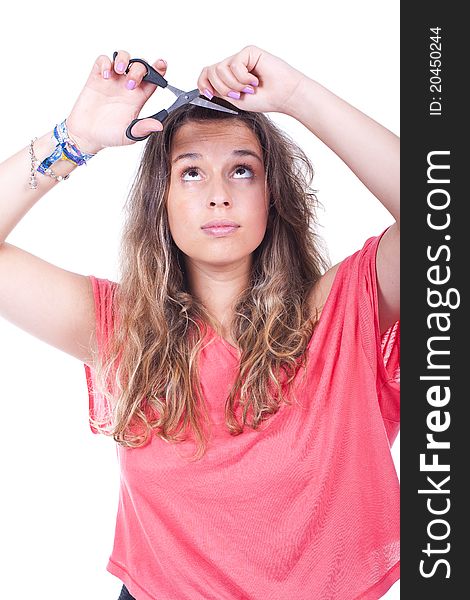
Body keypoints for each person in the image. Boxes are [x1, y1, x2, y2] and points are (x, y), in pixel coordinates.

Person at [0, 45, 400, 600]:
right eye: (191, 173)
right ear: (159, 201)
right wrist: (76, 137)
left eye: (242, 170)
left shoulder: (338, 315)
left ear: (271, 197)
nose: (218, 195)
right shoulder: (119, 327)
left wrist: (295, 96)